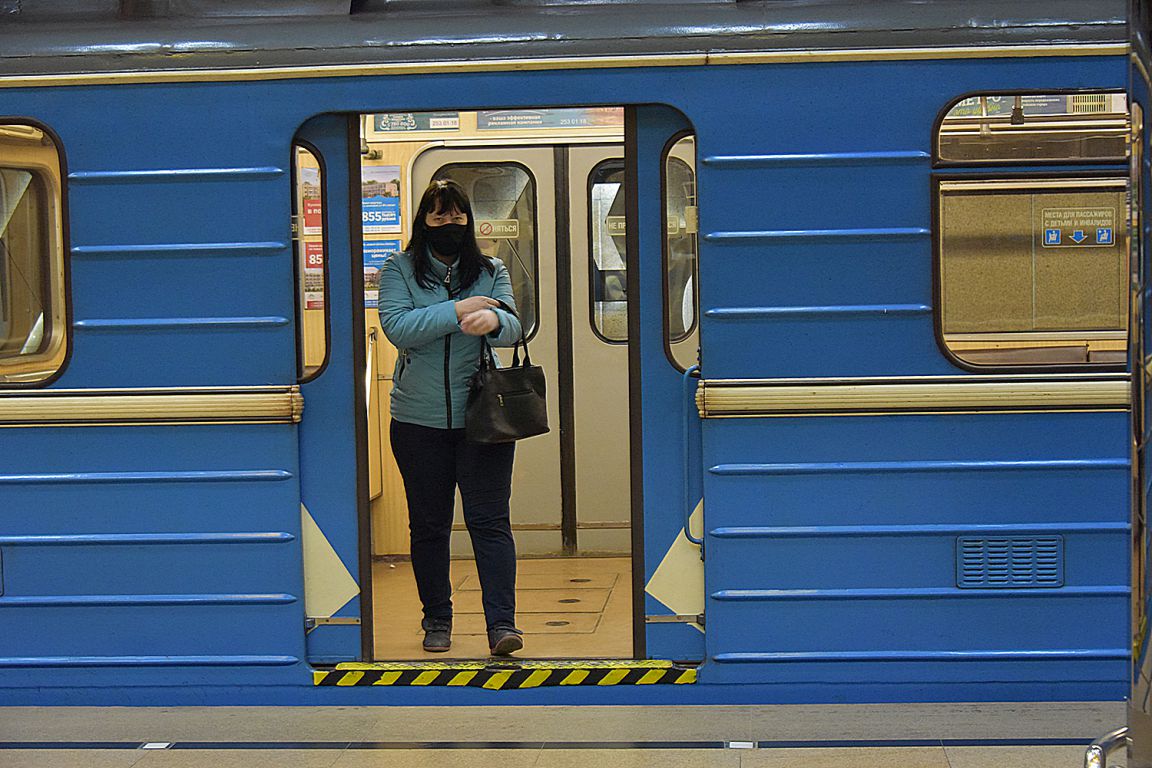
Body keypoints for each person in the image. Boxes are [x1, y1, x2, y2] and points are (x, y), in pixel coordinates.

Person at [377, 179, 525, 656]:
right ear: (424, 220)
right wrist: (458, 309)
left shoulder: (492, 270)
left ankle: (502, 625)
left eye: (458, 216)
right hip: (417, 422)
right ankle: (437, 619)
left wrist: (496, 321)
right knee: (429, 526)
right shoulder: (398, 269)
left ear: (469, 220)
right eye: (439, 215)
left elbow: (515, 325)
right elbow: (399, 327)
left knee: (490, 522)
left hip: (484, 420)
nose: (450, 223)